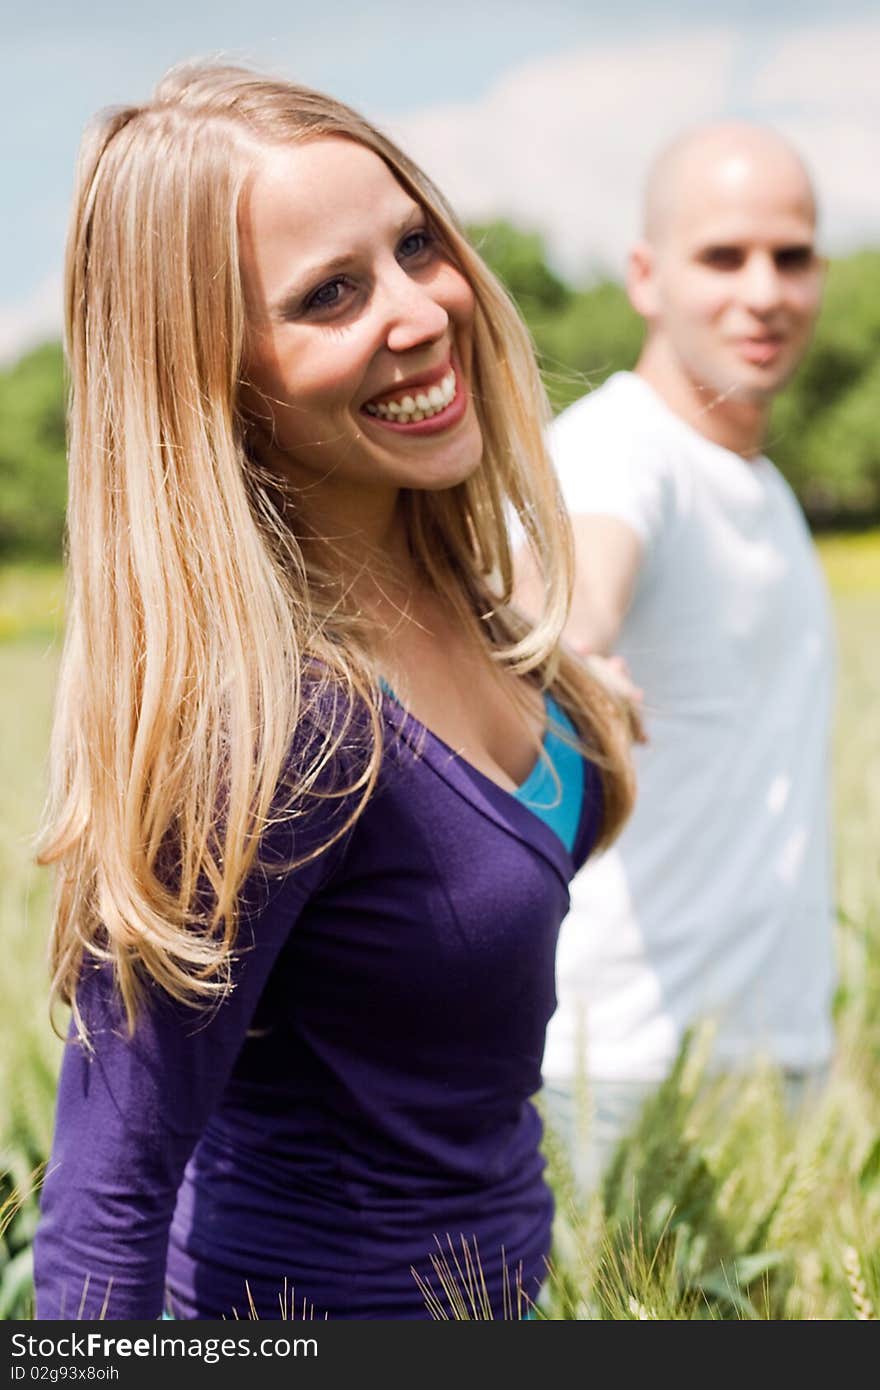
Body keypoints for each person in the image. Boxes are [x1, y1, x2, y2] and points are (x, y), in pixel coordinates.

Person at [32, 62, 634, 1320]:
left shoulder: (466, 596)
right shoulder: (275, 735)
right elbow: (107, 1195)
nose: (421, 310)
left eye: (417, 244)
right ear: (212, 377)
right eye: (331, 295)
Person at [529, 123, 835, 1191]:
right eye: (723, 256)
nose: (763, 291)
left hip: (772, 1059)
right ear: (646, 277)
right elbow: (567, 609)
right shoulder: (623, 451)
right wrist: (573, 659)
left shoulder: (763, 486)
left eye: (790, 256)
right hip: (619, 1065)